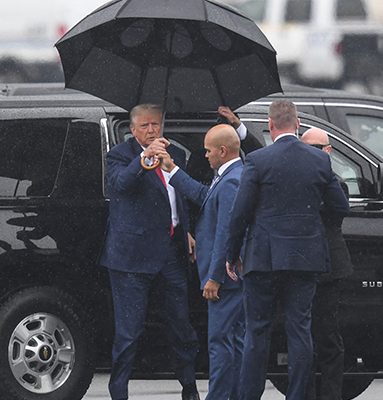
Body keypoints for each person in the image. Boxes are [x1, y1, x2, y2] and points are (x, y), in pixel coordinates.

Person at [225, 100, 350, 400]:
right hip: (305, 259)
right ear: (297, 125)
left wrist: (232, 255)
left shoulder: (257, 160)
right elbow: (340, 206)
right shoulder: (319, 161)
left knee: (257, 333)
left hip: (263, 258)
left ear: (270, 125)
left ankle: (250, 396)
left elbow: (239, 213)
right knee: (300, 331)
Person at [98, 104, 200, 400]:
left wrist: (187, 230)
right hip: (131, 257)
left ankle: (189, 386)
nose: (151, 131)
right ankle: (119, 392)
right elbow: (120, 184)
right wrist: (145, 159)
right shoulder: (120, 155)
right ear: (132, 129)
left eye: (155, 125)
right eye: (144, 126)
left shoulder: (176, 154)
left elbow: (179, 197)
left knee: (181, 326)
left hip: (170, 253)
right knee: (128, 333)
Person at [159, 124, 245, 400]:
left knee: (220, 342)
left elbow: (225, 234)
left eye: (208, 150)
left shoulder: (231, 181)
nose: (205, 155)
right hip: (229, 279)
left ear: (222, 150)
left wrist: (214, 276)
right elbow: (202, 195)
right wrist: (171, 168)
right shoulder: (228, 175)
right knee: (236, 341)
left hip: (223, 280)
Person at [300, 128, 354, 400]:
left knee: (328, 337)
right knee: (302, 338)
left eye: (317, 149)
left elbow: (334, 213)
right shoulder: (295, 180)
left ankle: (332, 395)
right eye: (305, 148)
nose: (310, 154)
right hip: (300, 269)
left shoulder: (334, 183)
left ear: (328, 152)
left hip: (329, 269)